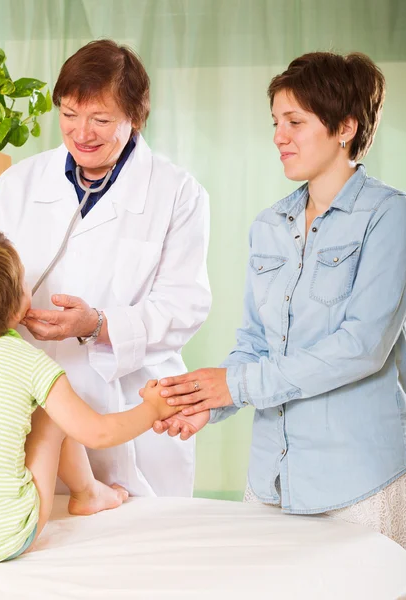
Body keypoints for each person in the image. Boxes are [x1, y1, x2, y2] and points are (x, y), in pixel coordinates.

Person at [151, 52, 406, 548]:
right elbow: (254, 343)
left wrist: (236, 387)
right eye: (275, 122)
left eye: (294, 121)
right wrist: (209, 404)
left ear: (345, 127)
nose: (278, 137)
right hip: (271, 480)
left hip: (359, 480)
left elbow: (361, 346)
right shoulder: (269, 226)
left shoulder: (389, 217)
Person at [0, 40, 211, 497]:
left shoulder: (177, 192)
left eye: (100, 119)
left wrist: (99, 325)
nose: (81, 132)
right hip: (33, 408)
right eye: (68, 114)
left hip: (132, 406)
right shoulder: (18, 184)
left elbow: (184, 306)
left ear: (135, 118)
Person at [0, 229, 183, 566]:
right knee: (53, 414)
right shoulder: (29, 362)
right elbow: (99, 433)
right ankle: (88, 493)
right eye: (24, 283)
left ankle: (89, 494)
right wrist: (153, 406)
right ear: (15, 308)